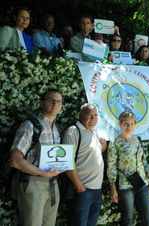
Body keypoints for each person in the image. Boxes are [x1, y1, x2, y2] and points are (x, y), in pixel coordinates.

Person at [9, 89, 63, 226]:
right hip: (33, 184)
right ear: (42, 102)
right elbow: (15, 160)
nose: (55, 104)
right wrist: (43, 173)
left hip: (53, 184)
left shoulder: (57, 129)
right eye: (51, 100)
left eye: (59, 101)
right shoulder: (30, 125)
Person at [62, 104, 107, 226]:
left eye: (96, 115)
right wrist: (80, 187)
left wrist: (103, 146)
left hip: (96, 190)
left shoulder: (93, 132)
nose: (93, 118)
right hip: (83, 190)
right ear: (81, 115)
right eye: (89, 115)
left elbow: (93, 151)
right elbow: (67, 161)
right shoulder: (73, 131)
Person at [107, 112, 149, 226]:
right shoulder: (115, 142)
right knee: (128, 220)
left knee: (148, 219)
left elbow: (143, 160)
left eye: (132, 124)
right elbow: (111, 165)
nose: (129, 127)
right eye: (126, 124)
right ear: (120, 124)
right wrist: (113, 188)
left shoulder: (138, 140)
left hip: (141, 183)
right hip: (125, 185)